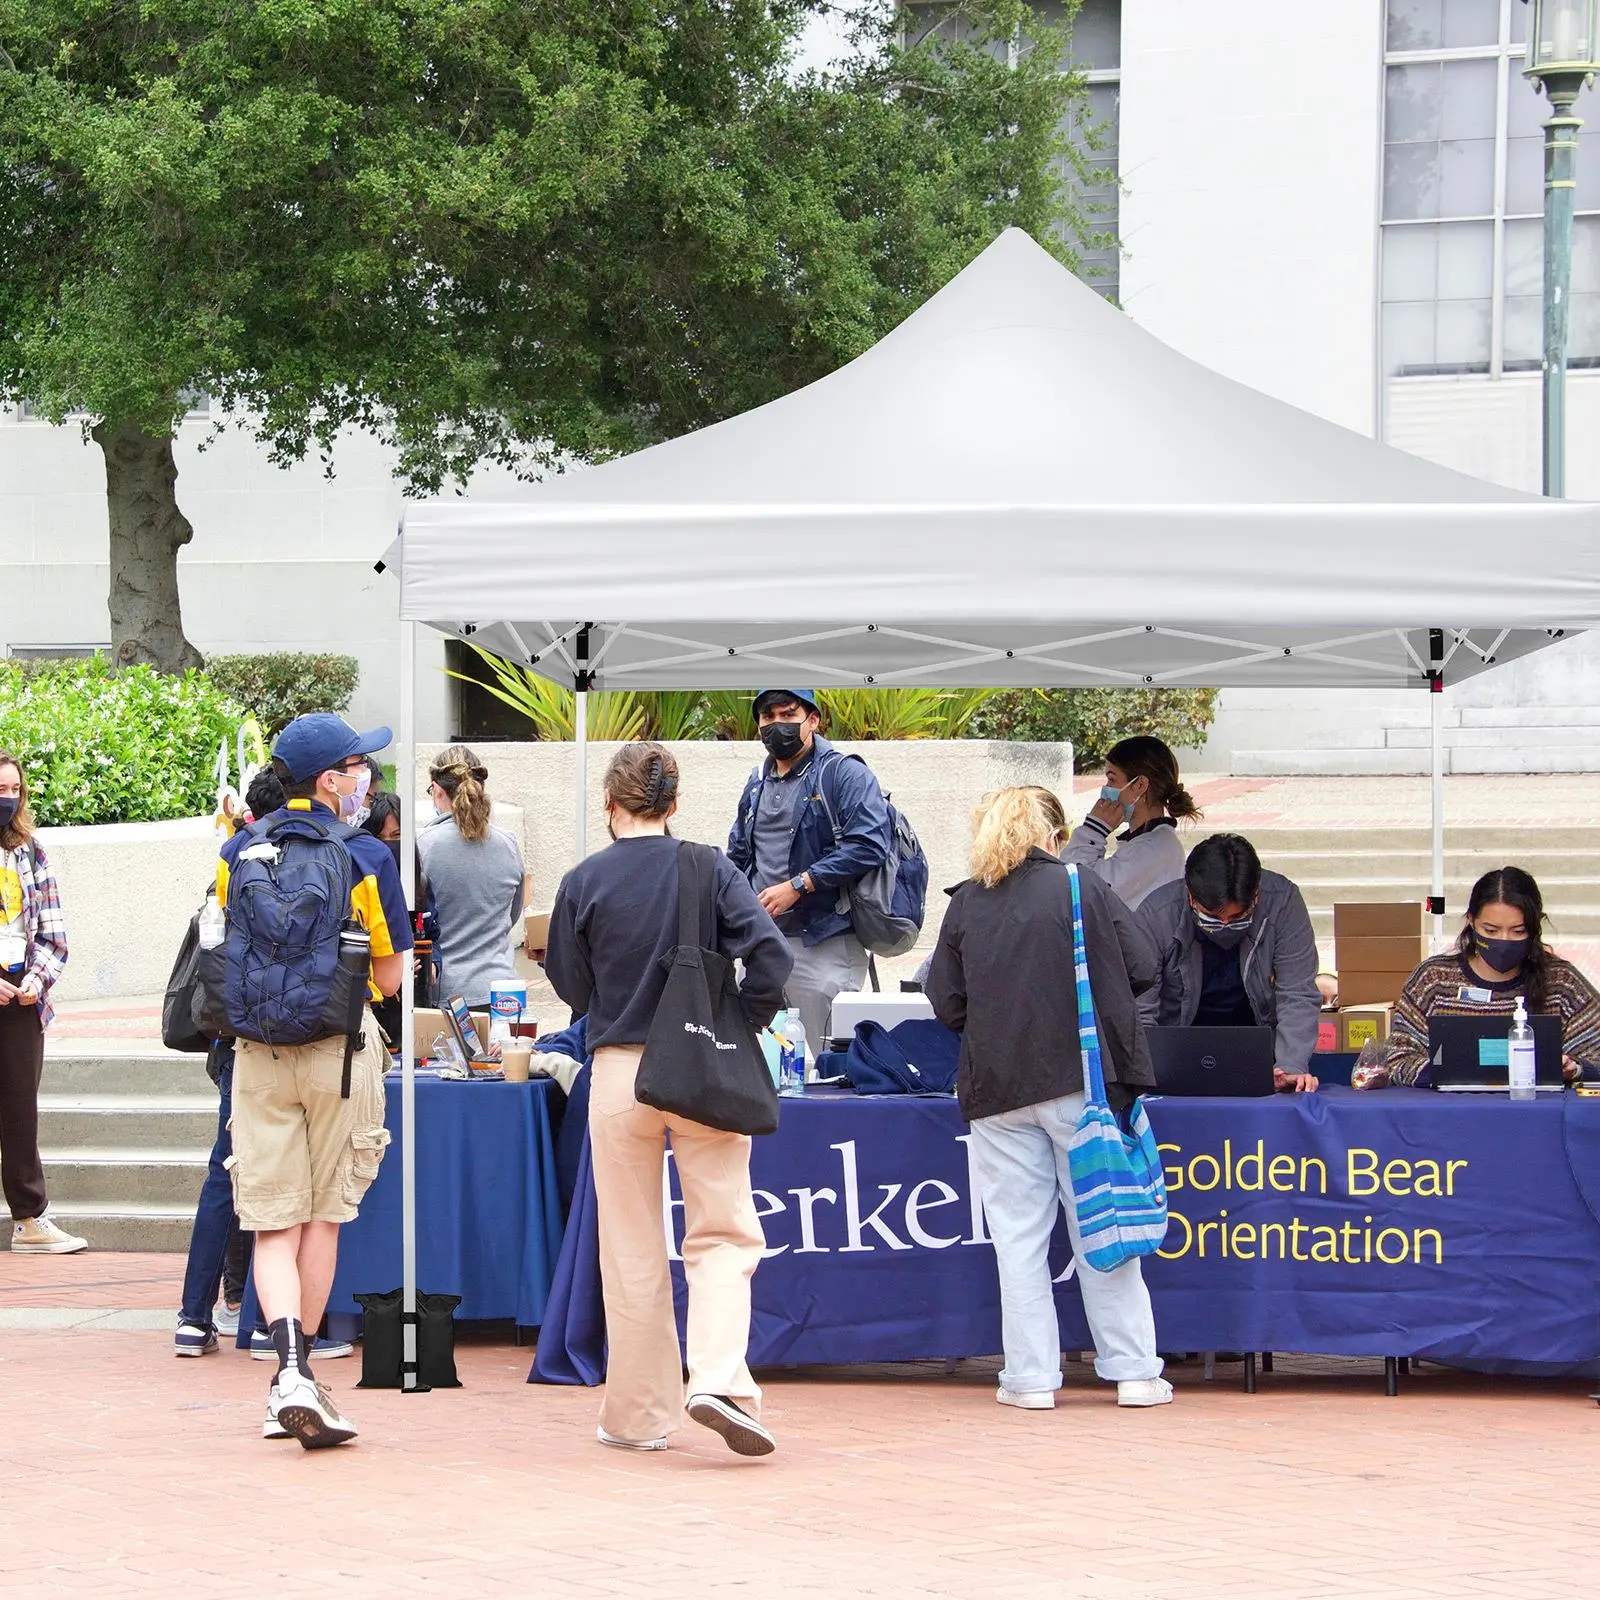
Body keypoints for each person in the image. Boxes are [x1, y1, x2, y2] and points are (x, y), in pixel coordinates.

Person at [547, 742, 792, 1456]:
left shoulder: (583, 879)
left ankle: (637, 1417)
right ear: (674, 804)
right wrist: (741, 1018)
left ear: (610, 805)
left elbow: (574, 987)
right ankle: (716, 1376)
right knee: (722, 1232)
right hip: (703, 1063)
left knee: (629, 1246)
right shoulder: (709, 867)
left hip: (619, 1071)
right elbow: (771, 957)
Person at [925, 787, 1171, 1410]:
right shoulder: (1077, 886)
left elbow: (946, 1000)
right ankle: (1135, 1371)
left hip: (996, 1091)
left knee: (1018, 1241)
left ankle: (1030, 1378)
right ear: (1052, 834)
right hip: (1081, 1083)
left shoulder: (965, 903)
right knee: (1103, 1224)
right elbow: (1142, 963)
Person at [217, 713, 411, 1446]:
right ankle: (298, 1378)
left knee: (272, 1222)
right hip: (339, 1050)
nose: (368, 777)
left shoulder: (238, 849)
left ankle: (287, 1372)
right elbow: (388, 976)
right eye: (360, 765)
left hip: (258, 1050)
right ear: (330, 780)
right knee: (323, 1218)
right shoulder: (366, 857)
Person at [726, 689, 890, 1050]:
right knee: (760, 1069)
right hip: (763, 947)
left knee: (819, 1069)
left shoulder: (844, 775)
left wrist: (798, 886)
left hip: (824, 944)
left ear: (813, 720)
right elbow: (738, 855)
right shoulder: (756, 782)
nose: (777, 725)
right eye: (768, 718)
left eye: (788, 714)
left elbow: (869, 844)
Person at [1361, 866, 1600, 1089]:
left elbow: (1594, 1054)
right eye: (1491, 930)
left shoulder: (1563, 983)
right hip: (1451, 1120)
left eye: (1518, 931)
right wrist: (1451, 1071)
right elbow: (1398, 1059)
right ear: (1471, 921)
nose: (1504, 940)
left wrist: (1575, 1068)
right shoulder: (1433, 981)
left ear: (1535, 929)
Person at [1140, 834, 1322, 1093]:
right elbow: (1140, 1008)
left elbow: (1297, 992)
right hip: (1176, 1049)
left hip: (1261, 1051)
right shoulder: (1155, 915)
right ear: (1191, 896)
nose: (1225, 925)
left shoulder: (1282, 902)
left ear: (1256, 896)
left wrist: (1290, 1066)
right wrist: (1147, 1074)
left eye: (1238, 916)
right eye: (1213, 916)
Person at [0, 752, 83, 1255]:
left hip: (21, 994)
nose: (6, 799)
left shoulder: (30, 852)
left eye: (13, 790)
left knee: (19, 1112)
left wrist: (35, 979)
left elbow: (54, 936)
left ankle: (29, 1218)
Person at [417, 745, 526, 1008]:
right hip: (503, 993)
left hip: (447, 996)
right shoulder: (508, 844)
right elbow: (512, 914)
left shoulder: (422, 847)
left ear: (437, 790)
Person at [1062, 736, 1201, 909]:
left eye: (1112, 779)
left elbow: (1074, 885)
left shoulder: (1153, 849)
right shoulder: (1148, 840)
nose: (1106, 789)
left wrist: (1094, 830)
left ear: (1140, 785)